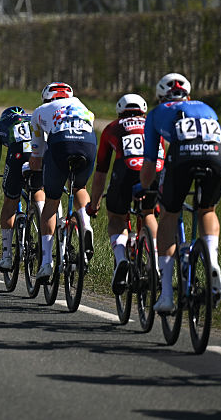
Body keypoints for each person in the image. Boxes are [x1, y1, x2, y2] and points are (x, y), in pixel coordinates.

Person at [139, 73, 221, 313]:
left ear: (160, 96)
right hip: (215, 154)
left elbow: (149, 161)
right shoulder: (206, 107)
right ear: (188, 93)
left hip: (182, 156)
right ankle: (212, 259)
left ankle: (166, 294)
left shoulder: (157, 113)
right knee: (207, 209)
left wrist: (146, 187)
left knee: (168, 213)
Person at [89, 94, 163, 294]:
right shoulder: (154, 126)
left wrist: (94, 204)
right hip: (154, 171)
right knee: (148, 213)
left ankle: (121, 258)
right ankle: (155, 260)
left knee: (116, 218)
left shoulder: (113, 127)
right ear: (144, 110)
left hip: (127, 170)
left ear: (120, 111)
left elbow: (101, 171)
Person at [30, 81, 97, 282]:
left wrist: (36, 172)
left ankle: (46, 263)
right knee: (79, 187)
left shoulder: (40, 111)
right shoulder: (85, 108)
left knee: (51, 201)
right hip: (88, 143)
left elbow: (37, 155)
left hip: (60, 144)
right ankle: (85, 226)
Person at [0, 106, 38, 271]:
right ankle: (43, 240)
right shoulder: (35, 118)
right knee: (39, 195)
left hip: (18, 157)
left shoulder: (0, 126)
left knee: (9, 205)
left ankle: (6, 257)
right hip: (40, 155)